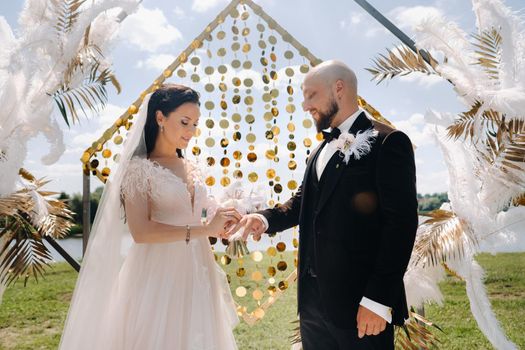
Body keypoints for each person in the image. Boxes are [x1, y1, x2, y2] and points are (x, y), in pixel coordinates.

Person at [231, 60, 418, 349]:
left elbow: (401, 226)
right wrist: (265, 219)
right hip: (313, 306)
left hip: (362, 306)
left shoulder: (388, 142)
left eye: (311, 95)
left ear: (339, 89)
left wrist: (378, 300)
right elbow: (302, 203)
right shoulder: (319, 150)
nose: (305, 105)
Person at [59, 84, 240, 350]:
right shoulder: (138, 170)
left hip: (198, 266)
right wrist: (205, 230)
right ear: (160, 118)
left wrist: (221, 221)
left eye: (195, 124)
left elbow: (195, 213)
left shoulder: (192, 166)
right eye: (185, 122)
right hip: (158, 273)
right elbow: (141, 232)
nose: (191, 132)